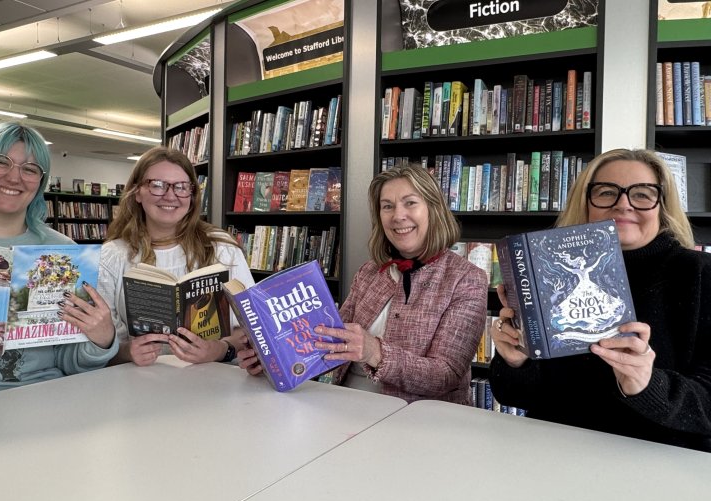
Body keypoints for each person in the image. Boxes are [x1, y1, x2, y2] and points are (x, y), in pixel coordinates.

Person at [489, 148, 711, 451]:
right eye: (606, 192)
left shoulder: (701, 274)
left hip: (657, 460)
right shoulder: (550, 271)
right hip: (554, 451)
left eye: (642, 194)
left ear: (663, 206)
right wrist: (515, 361)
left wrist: (648, 385)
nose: (623, 204)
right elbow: (514, 395)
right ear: (586, 203)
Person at [239, 164, 488, 403]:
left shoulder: (466, 279)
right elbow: (331, 341)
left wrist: (374, 352)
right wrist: (275, 358)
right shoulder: (370, 272)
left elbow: (445, 375)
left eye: (410, 203)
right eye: (387, 206)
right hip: (347, 406)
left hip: (417, 420)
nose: (398, 216)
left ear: (434, 209)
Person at [0, 120, 116, 403]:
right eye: (1, 162)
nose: (14, 177)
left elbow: (72, 362)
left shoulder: (62, 253)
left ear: (40, 183)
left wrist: (102, 338)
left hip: (39, 395)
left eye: (30, 169)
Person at [98, 146, 254, 367]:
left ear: (192, 195)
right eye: (157, 185)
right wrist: (127, 352)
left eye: (181, 187)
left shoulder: (221, 247)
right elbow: (100, 343)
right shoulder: (112, 255)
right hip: (141, 379)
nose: (170, 196)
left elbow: (251, 326)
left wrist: (218, 349)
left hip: (213, 377)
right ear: (137, 192)